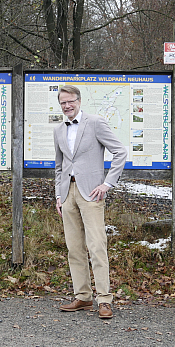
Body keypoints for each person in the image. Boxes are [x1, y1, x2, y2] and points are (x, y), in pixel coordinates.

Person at [53, 85, 127, 319]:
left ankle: (104, 299)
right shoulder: (58, 130)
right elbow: (59, 166)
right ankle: (83, 297)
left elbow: (120, 152)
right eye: (63, 102)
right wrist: (58, 195)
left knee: (96, 246)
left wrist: (107, 183)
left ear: (79, 100)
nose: (67, 106)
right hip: (68, 194)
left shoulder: (95, 123)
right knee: (74, 248)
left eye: (70, 101)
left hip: (92, 193)